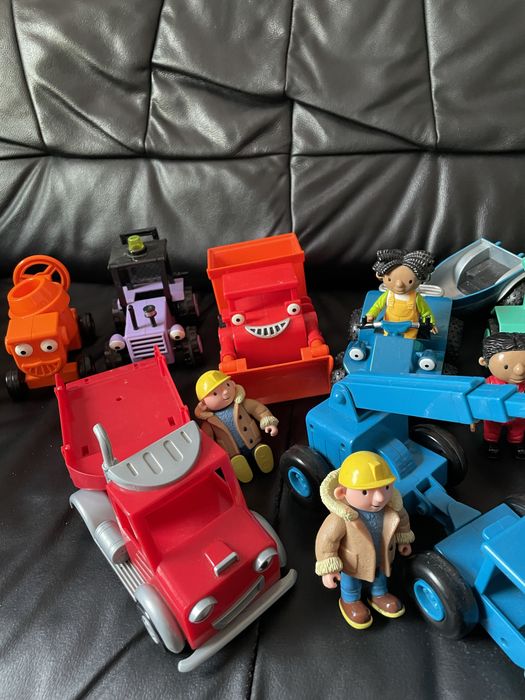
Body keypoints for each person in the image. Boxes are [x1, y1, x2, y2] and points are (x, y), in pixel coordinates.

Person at [315, 451, 414, 629]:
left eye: (385, 488)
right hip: (352, 563)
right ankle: (350, 600)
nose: (380, 498)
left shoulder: (391, 508)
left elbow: (403, 521)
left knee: (380, 578)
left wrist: (404, 539)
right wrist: (328, 568)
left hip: (381, 557)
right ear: (342, 493)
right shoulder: (341, 518)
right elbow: (327, 541)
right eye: (366, 492)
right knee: (350, 583)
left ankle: (379, 594)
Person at [194, 370, 279, 483]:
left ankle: (260, 452)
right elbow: (206, 439)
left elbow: (258, 409)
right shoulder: (210, 421)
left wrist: (268, 423)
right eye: (215, 394)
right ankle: (237, 464)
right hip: (231, 450)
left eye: (227, 385)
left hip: (252, 440)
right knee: (235, 460)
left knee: (258, 449)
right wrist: (210, 455)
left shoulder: (241, 404)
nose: (225, 392)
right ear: (204, 404)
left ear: (233, 384)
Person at [365, 249, 437, 339]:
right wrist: (371, 315)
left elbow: (426, 312)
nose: (399, 285)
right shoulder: (388, 295)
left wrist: (431, 324)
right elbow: (377, 306)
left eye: (410, 281)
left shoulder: (416, 298)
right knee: (386, 340)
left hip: (410, 328)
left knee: (409, 342)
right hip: (388, 326)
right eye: (390, 279)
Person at [479, 332, 525, 459]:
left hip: (519, 416)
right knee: (491, 429)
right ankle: (491, 443)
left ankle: (516, 443)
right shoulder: (489, 383)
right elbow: (480, 399)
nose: (519, 371)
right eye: (506, 366)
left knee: (518, 430)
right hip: (494, 415)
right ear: (483, 362)